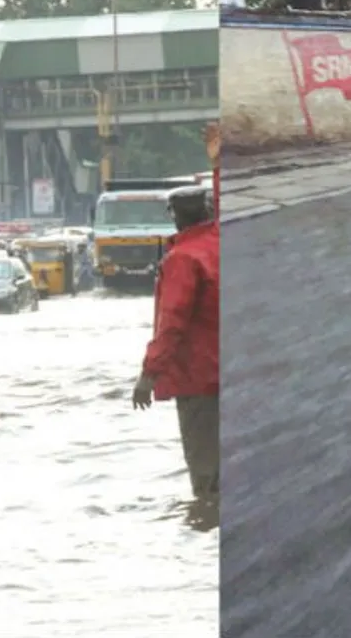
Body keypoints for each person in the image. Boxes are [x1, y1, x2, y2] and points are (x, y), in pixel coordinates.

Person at [131, 186, 220, 500]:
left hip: (200, 380)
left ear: (174, 217)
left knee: (209, 479)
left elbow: (172, 324)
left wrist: (148, 374)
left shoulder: (183, 259)